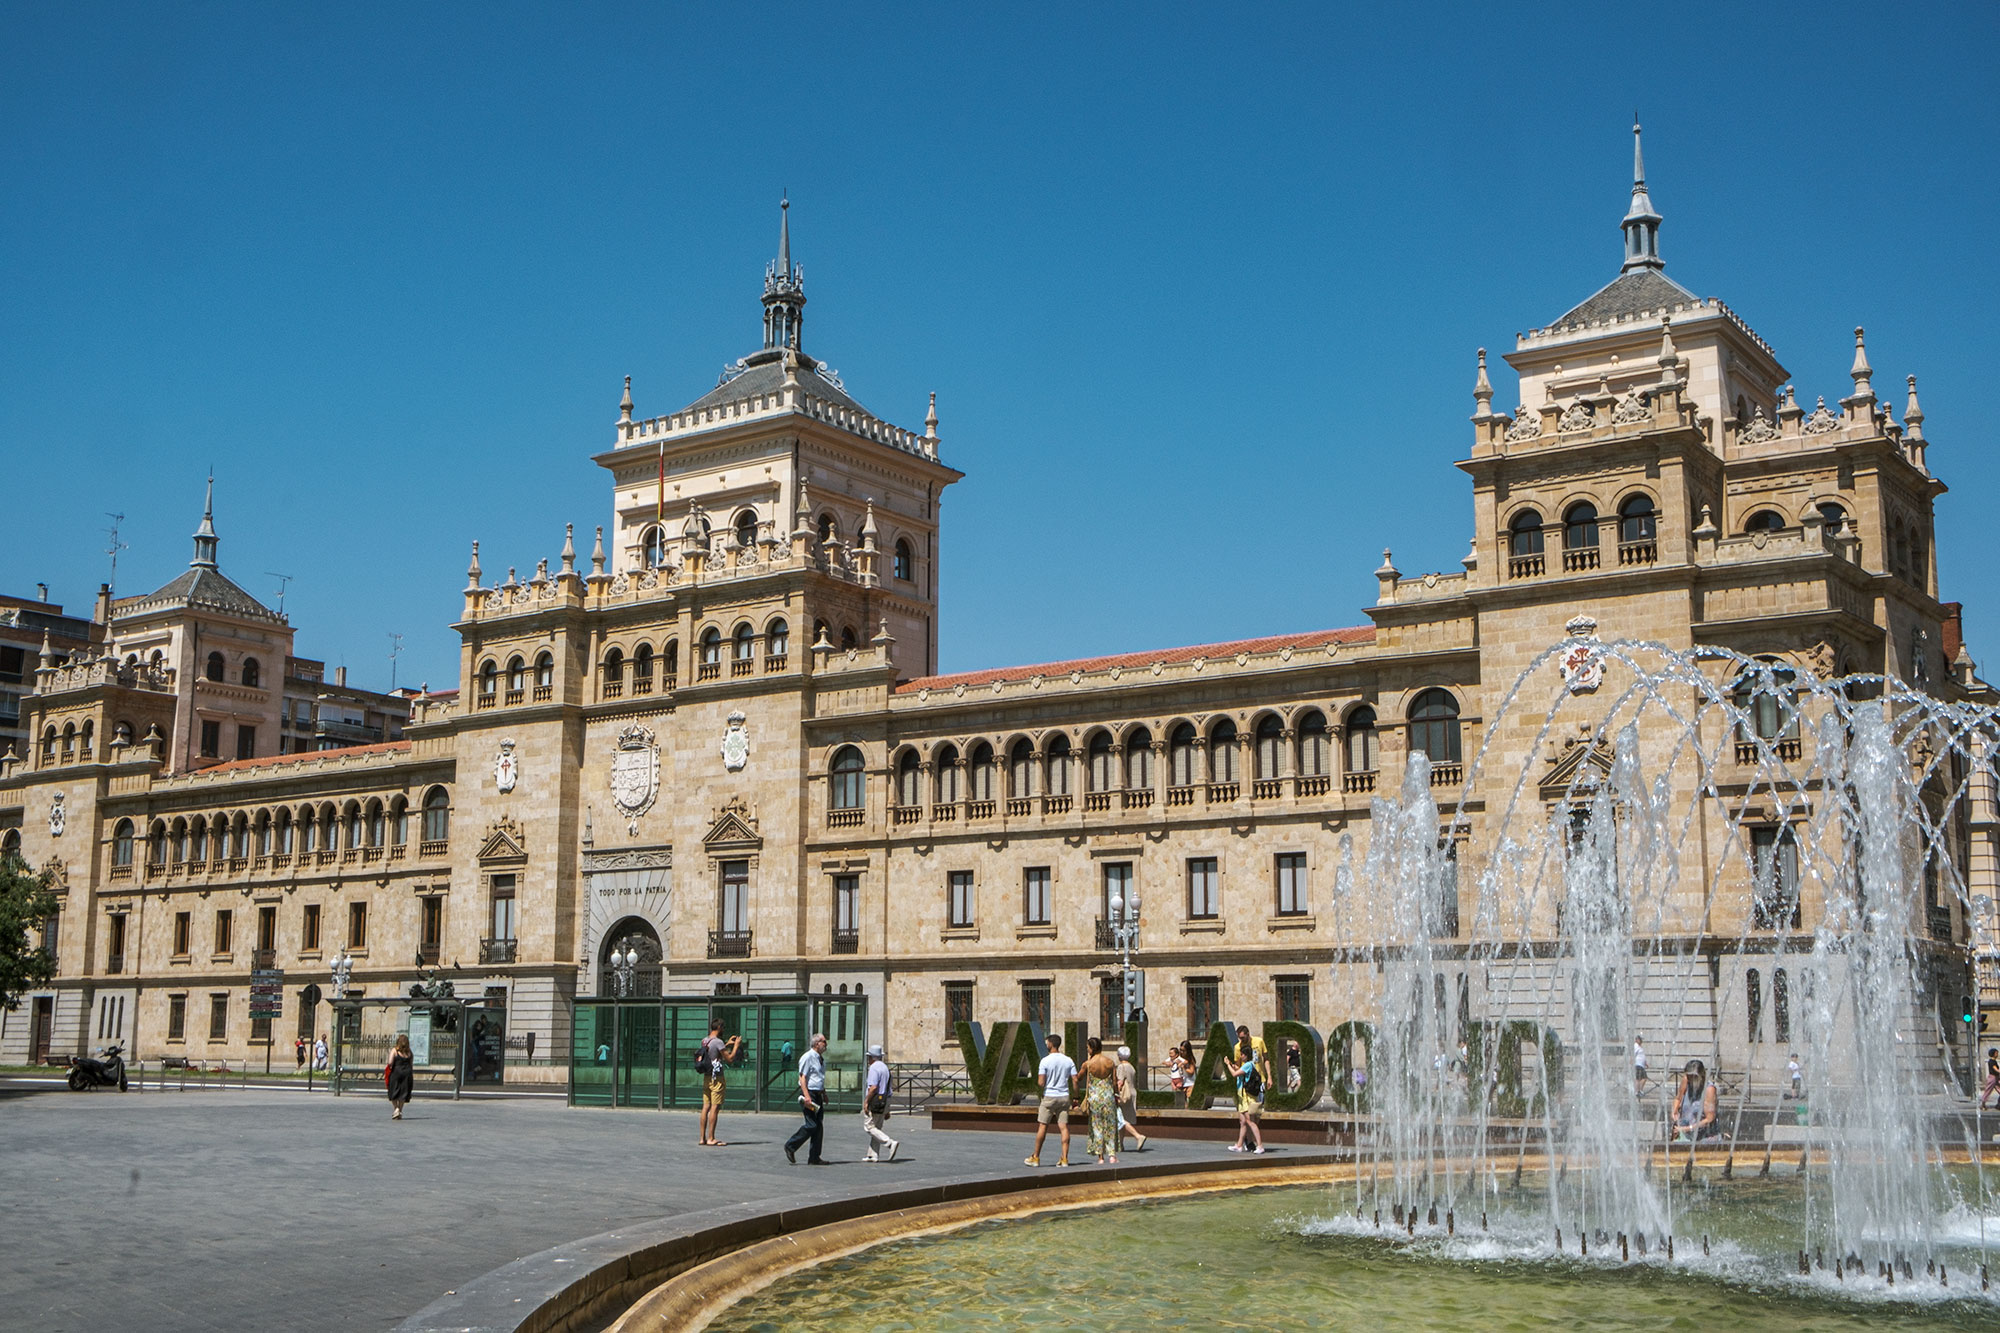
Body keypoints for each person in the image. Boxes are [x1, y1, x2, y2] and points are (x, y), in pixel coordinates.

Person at [1026, 1032, 1076, 1167]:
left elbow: (1041, 1082)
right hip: (1064, 1096)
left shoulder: (1045, 1061)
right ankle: (1064, 1158)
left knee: (1043, 1126)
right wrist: (1075, 1095)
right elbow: (1075, 1079)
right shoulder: (1068, 1060)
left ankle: (1035, 1157)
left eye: (1047, 1042)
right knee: (1064, 1127)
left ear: (1050, 1044)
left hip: (1049, 1096)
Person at [785, 1032, 830, 1165]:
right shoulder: (808, 1057)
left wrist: (824, 1093)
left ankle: (814, 1156)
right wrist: (807, 1096)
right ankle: (790, 1145)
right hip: (809, 1094)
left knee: (818, 1126)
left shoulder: (821, 1059)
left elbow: (819, 1078)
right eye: (824, 1042)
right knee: (812, 1124)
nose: (826, 1045)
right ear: (817, 1044)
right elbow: (802, 1077)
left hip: (818, 1094)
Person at [1224, 1024, 1270, 1154]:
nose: (1240, 1041)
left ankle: (1258, 1145)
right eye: (1239, 1038)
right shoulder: (1237, 1048)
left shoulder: (1258, 1043)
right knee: (1243, 1120)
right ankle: (1242, 1144)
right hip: (1243, 1092)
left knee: (1252, 1120)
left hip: (1252, 1090)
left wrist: (1228, 1065)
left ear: (1248, 1034)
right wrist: (1233, 1065)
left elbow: (1266, 1059)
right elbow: (1238, 1066)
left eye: (1243, 1038)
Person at [861, 1044, 899, 1162]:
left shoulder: (874, 1068)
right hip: (885, 1100)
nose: (868, 1060)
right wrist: (888, 1109)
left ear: (872, 1057)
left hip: (876, 1100)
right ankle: (873, 1154)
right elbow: (889, 1089)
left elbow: (873, 1087)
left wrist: (866, 1101)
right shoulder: (885, 1068)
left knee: (869, 1126)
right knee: (877, 1127)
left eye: (869, 1057)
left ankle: (889, 1142)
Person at [697, 1021, 730, 1146]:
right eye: (723, 1027)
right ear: (719, 1027)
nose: (724, 1030)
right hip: (717, 1078)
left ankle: (702, 1138)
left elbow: (713, 1054)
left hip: (706, 1076)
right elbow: (730, 1058)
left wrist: (727, 1044)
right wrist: (736, 1045)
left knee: (706, 1107)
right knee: (715, 1108)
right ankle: (711, 1138)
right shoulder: (719, 1042)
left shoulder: (704, 1040)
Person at [1671, 1059, 1719, 1142]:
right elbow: (1678, 1098)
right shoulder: (1686, 1080)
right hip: (1684, 1134)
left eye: (1694, 1076)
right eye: (1688, 1076)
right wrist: (1674, 1110)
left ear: (1701, 1075)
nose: (1690, 1079)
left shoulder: (1709, 1090)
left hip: (1704, 1137)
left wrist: (1686, 1129)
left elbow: (1709, 1119)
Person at [1114, 1045, 1148, 1152]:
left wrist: (1115, 1093)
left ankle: (1138, 1136)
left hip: (1124, 1095)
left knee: (1121, 1119)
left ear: (1119, 1056)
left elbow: (1120, 1082)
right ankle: (1120, 1144)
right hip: (1131, 1093)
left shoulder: (1121, 1067)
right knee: (1124, 1118)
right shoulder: (1131, 1067)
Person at [385, 1033, 414, 1120]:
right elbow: (411, 1063)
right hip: (407, 1073)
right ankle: (400, 1110)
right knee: (403, 1092)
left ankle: (396, 1109)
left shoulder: (395, 1050)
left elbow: (390, 1062)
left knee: (394, 1091)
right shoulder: (409, 1052)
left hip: (396, 1072)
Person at [1167, 1040, 1195, 1108]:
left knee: (1189, 1104)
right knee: (1180, 1103)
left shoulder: (1190, 1060)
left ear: (1187, 1051)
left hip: (1189, 1084)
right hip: (1181, 1083)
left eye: (1183, 1050)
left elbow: (1191, 1072)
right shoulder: (1179, 1058)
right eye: (1180, 1050)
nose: (1181, 1052)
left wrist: (1184, 1067)